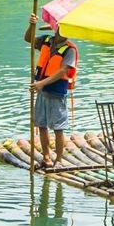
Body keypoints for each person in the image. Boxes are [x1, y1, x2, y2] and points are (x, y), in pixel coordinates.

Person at [25, 17, 78, 168]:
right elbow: (28, 39)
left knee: (58, 128)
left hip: (56, 93)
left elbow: (62, 71)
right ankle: (46, 158)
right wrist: (32, 25)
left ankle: (59, 160)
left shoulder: (70, 50)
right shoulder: (46, 40)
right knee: (41, 124)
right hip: (42, 91)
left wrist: (41, 83)